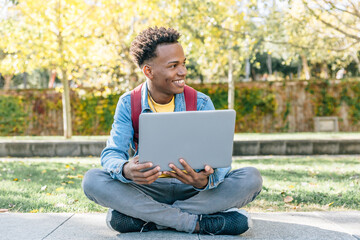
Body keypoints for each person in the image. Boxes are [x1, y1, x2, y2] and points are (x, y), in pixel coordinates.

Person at [82, 26, 263, 235]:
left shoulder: (202, 102)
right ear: (148, 71)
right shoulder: (128, 103)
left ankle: (150, 220)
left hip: (193, 191)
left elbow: (219, 162)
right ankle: (197, 223)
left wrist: (205, 180)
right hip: (148, 188)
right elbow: (112, 153)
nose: (183, 71)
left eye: (184, 63)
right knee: (93, 181)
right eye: (173, 65)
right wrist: (125, 169)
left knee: (251, 178)